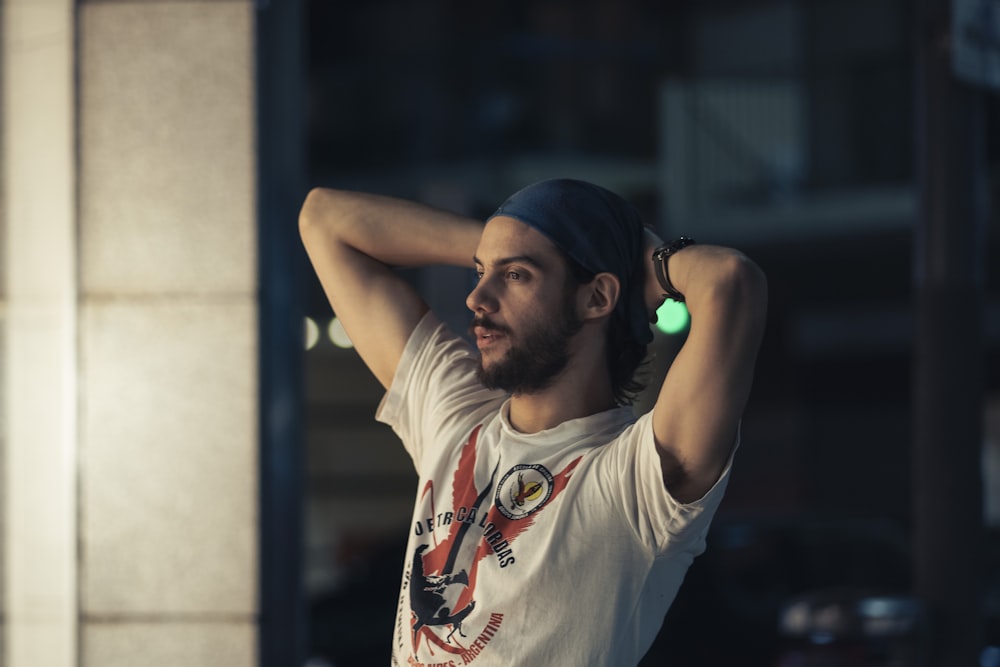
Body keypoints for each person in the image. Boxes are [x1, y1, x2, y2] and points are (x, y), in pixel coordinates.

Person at [299, 178, 767, 666]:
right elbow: (325, 218)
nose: (477, 297)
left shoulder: (636, 479)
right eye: (482, 271)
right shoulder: (455, 416)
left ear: (596, 297)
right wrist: (512, 243)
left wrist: (642, 261)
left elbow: (730, 279)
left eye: (516, 276)